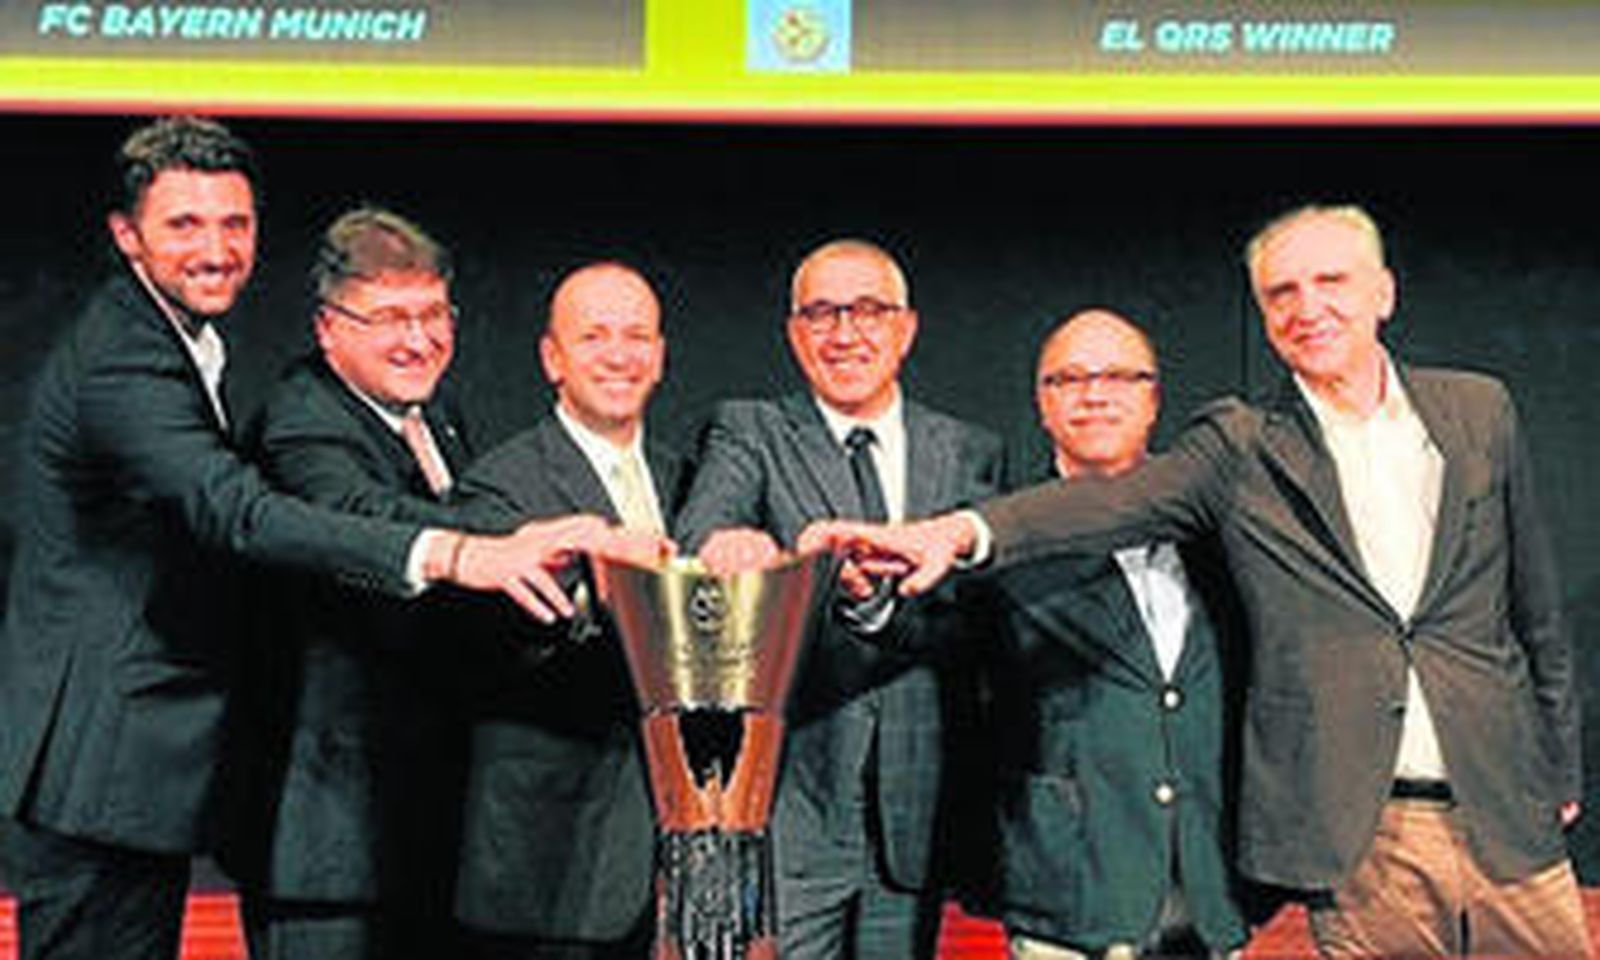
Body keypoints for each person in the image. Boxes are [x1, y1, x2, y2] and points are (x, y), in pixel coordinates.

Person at [804, 205, 1590, 957]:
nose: (1307, 307)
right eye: (1281, 293)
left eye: (1331, 282)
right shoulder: (1239, 447)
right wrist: (951, 533)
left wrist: (1559, 761)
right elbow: (1106, 506)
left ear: (1383, 291)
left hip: (1498, 813)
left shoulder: (1478, 410)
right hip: (1334, 843)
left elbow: (1533, 611)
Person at [0, 116, 609, 960]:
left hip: (138, 776)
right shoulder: (126, 358)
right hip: (101, 766)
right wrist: (463, 554)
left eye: (234, 224)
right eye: (184, 224)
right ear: (125, 235)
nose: (216, 248)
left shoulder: (178, 342)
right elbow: (239, 513)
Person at [674, 239, 1005, 959]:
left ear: (907, 327)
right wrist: (740, 552)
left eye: (868, 311)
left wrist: (876, 608)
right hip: (791, 802)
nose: (845, 333)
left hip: (919, 806)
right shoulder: (750, 430)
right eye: (821, 313)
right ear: (795, 333)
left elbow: (978, 619)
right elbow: (706, 528)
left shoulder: (970, 450)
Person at [232, 207, 476, 959]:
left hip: (418, 826)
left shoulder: (437, 414)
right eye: (389, 317)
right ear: (329, 327)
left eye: (432, 313)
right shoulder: (300, 422)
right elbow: (359, 511)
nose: (417, 338)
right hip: (325, 842)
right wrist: (495, 548)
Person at [974, 309, 1247, 959]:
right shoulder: (1001, 535)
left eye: (1119, 377)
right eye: (1069, 379)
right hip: (1074, 901)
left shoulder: (1223, 534)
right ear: (1042, 404)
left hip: (1211, 897)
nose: (1095, 394)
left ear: (1154, 399)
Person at [450, 261, 681, 959]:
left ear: (662, 356)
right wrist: (594, 591)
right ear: (553, 358)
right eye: (595, 336)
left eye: (637, 335)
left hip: (664, 860)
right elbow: (489, 649)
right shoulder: (499, 483)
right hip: (544, 870)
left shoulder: (689, 477)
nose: (619, 354)